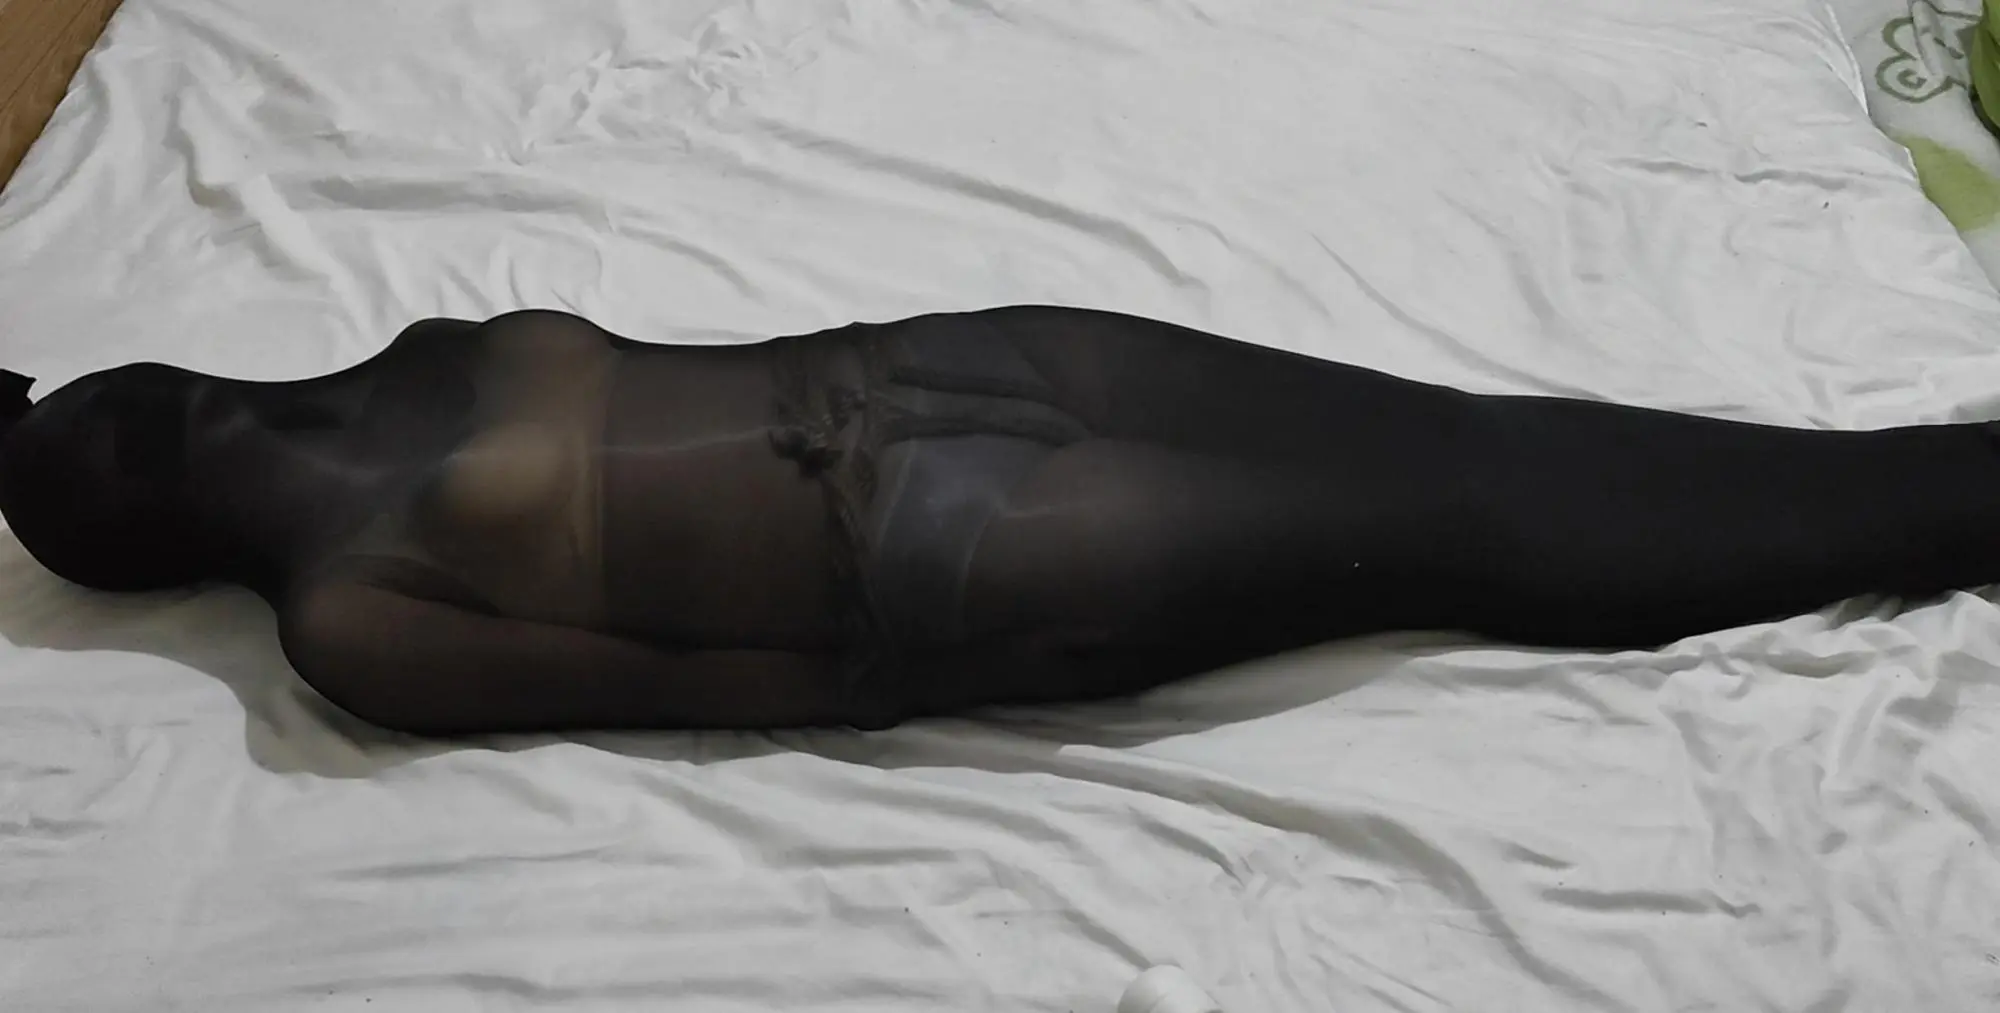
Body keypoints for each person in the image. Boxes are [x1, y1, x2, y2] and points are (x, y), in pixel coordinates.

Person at [3, 306, 1997, 736]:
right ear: (151, 531)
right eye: (129, 445)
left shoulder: (372, 362)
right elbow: (718, 685)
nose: (161, 403)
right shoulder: (349, 618)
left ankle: (1936, 472)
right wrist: (1002, 656)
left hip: (965, 363)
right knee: (1472, 528)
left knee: (1482, 440)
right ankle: (1951, 509)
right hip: (949, 549)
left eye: (124, 391)